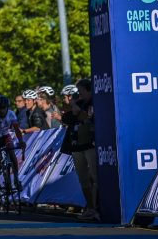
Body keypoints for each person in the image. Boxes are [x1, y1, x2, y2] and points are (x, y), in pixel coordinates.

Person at [61, 79, 99, 221]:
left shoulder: (94, 102)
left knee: (95, 177)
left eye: (81, 91)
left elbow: (88, 117)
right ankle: (90, 207)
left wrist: (77, 111)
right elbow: (67, 118)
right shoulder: (78, 103)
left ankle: (96, 207)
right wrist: (75, 109)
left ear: (88, 91)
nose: (79, 94)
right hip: (76, 146)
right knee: (83, 178)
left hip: (90, 144)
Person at [0, 95, 26, 198]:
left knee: (12, 155)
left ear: (7, 107)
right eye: (0, 108)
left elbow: (17, 130)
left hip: (5, 137)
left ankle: (16, 179)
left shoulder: (11, 114)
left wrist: (21, 141)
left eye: (4, 108)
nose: (2, 111)